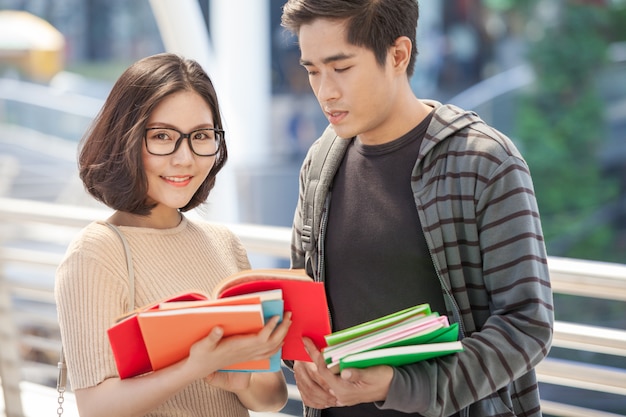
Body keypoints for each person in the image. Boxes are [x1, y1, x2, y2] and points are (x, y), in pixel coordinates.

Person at [281, 1, 554, 416]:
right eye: (312, 70)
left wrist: (403, 385)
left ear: (398, 54)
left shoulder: (484, 161)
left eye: (341, 68)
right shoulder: (321, 160)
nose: (325, 91)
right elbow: (304, 299)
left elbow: (527, 325)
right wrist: (301, 364)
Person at [54, 53, 291, 417]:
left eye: (200, 136)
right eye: (163, 136)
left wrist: (244, 377)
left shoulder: (224, 243)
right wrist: (193, 367)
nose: (185, 158)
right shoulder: (96, 252)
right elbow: (96, 408)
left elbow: (272, 399)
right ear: (126, 140)